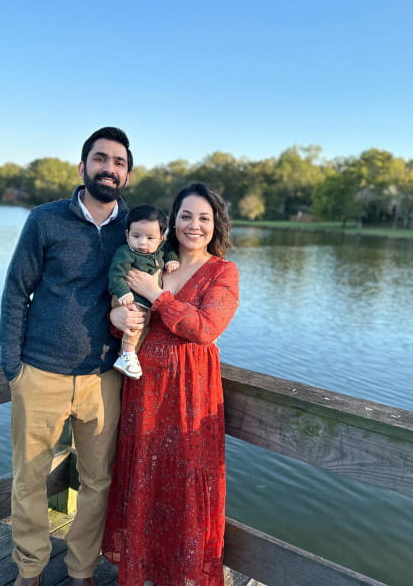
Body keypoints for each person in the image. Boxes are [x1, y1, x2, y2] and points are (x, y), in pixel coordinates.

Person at [0, 126, 144, 586]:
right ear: (83, 168)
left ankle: (82, 571)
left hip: (104, 376)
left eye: (119, 163)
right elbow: (15, 292)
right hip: (40, 372)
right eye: (101, 159)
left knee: (98, 483)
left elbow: (165, 279)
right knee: (29, 479)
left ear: (127, 174)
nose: (110, 169)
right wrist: (12, 367)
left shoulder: (135, 231)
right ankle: (30, 569)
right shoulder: (45, 220)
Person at [102, 183, 240, 586]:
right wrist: (117, 319)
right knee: (145, 476)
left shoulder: (223, 272)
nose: (193, 226)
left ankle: (182, 574)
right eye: (185, 216)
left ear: (216, 225)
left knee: (185, 482)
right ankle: (142, 569)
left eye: (203, 218)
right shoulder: (155, 261)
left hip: (191, 394)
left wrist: (157, 296)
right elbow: (125, 313)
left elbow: (205, 328)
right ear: (171, 222)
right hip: (144, 389)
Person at [109, 205, 179, 380]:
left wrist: (171, 259)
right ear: (127, 235)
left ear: (160, 239)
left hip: (144, 299)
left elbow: (170, 248)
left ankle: (126, 355)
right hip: (126, 298)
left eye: (149, 238)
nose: (142, 243)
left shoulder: (160, 250)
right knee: (137, 319)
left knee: (145, 325)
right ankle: (128, 354)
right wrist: (123, 292)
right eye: (136, 236)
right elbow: (115, 274)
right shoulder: (125, 253)